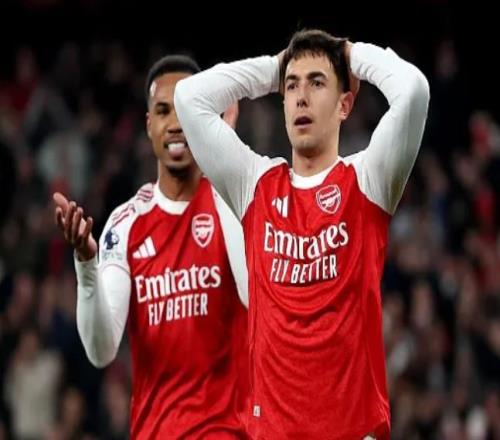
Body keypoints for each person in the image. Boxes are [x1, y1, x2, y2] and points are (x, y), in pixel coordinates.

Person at [174, 29, 430, 439]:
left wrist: (348, 53)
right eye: (292, 86)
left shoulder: (368, 180)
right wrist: (272, 69)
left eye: (317, 83)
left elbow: (413, 90)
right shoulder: (254, 184)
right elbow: (188, 98)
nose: (301, 97)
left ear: (345, 104)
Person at [53, 54, 249, 439]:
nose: (175, 123)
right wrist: (87, 265)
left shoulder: (237, 200)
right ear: (149, 125)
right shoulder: (126, 223)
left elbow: (255, 296)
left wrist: (222, 159)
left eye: (186, 110)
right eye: (163, 111)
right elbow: (102, 351)